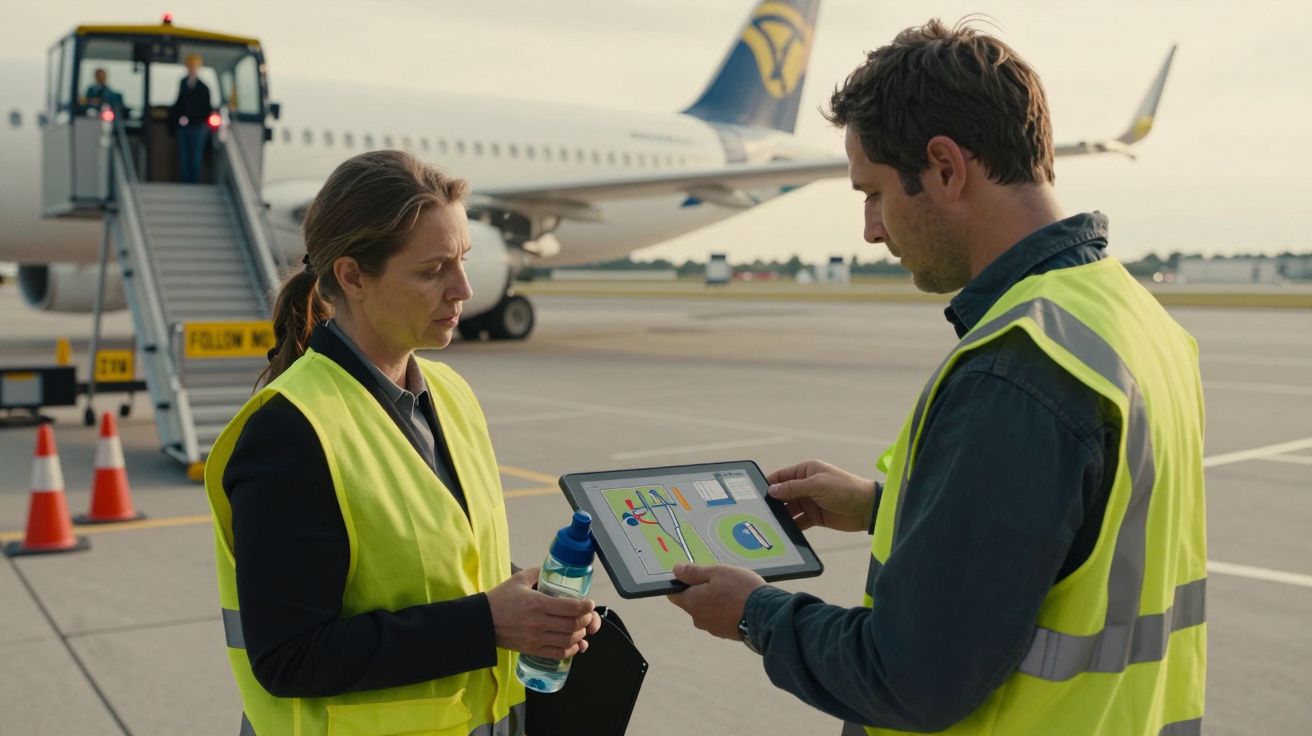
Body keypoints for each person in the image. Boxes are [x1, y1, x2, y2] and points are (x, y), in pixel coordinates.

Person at [667, 19, 1207, 736]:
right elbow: (1061, 533)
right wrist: (883, 505)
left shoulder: (1019, 370)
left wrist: (754, 613)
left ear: (947, 169)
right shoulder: (1133, 317)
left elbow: (908, 677)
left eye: (874, 193)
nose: (870, 229)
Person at [203, 150, 600, 736]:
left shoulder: (451, 392)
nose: (462, 288)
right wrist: (487, 624)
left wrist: (530, 605)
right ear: (353, 276)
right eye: (432, 270)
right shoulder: (291, 431)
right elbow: (288, 657)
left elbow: (439, 564)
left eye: (462, 260)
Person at [171, 53, 214, 183]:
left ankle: (194, 182)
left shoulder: (204, 88)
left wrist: (193, 119)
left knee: (196, 155)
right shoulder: (183, 84)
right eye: (189, 66)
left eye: (194, 66)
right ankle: (185, 181)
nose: (191, 68)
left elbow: (206, 109)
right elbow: (179, 104)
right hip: (183, 126)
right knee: (184, 156)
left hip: (198, 126)